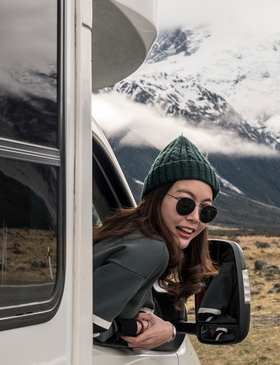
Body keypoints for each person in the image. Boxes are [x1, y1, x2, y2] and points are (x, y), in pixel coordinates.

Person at [92, 135, 220, 351]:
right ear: (157, 197)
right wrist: (141, 328)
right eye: (185, 203)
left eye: (206, 210)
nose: (195, 218)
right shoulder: (152, 249)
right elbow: (86, 324)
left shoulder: (128, 235)